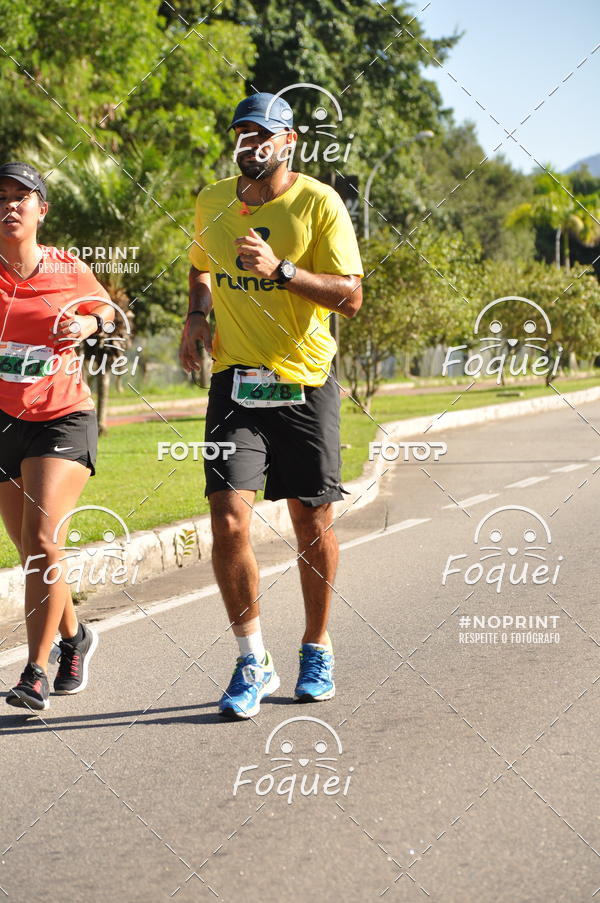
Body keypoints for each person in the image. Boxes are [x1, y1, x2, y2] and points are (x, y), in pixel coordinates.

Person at [179, 93, 363, 719]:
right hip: (235, 384)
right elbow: (201, 268)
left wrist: (281, 270)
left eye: (264, 134)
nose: (251, 143)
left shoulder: (318, 202)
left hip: (305, 383)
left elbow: (350, 297)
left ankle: (316, 645)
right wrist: (197, 316)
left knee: (311, 521)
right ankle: (251, 658)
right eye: (242, 133)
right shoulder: (211, 202)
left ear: (288, 143)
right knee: (228, 519)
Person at [0, 162, 115, 711]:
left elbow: (114, 314)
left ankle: (35, 672)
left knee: (45, 542)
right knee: (31, 553)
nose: (9, 206)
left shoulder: (68, 269)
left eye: (21, 197)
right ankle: (76, 637)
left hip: (62, 416)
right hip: (4, 424)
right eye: (0, 197)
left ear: (41, 210)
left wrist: (91, 324)